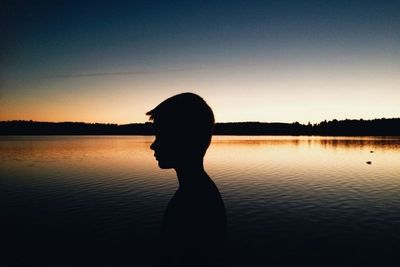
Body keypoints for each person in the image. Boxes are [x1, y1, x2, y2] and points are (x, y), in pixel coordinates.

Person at [147, 93, 227, 267]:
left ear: (184, 139)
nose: (153, 145)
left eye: (161, 136)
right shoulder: (201, 192)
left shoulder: (191, 202)